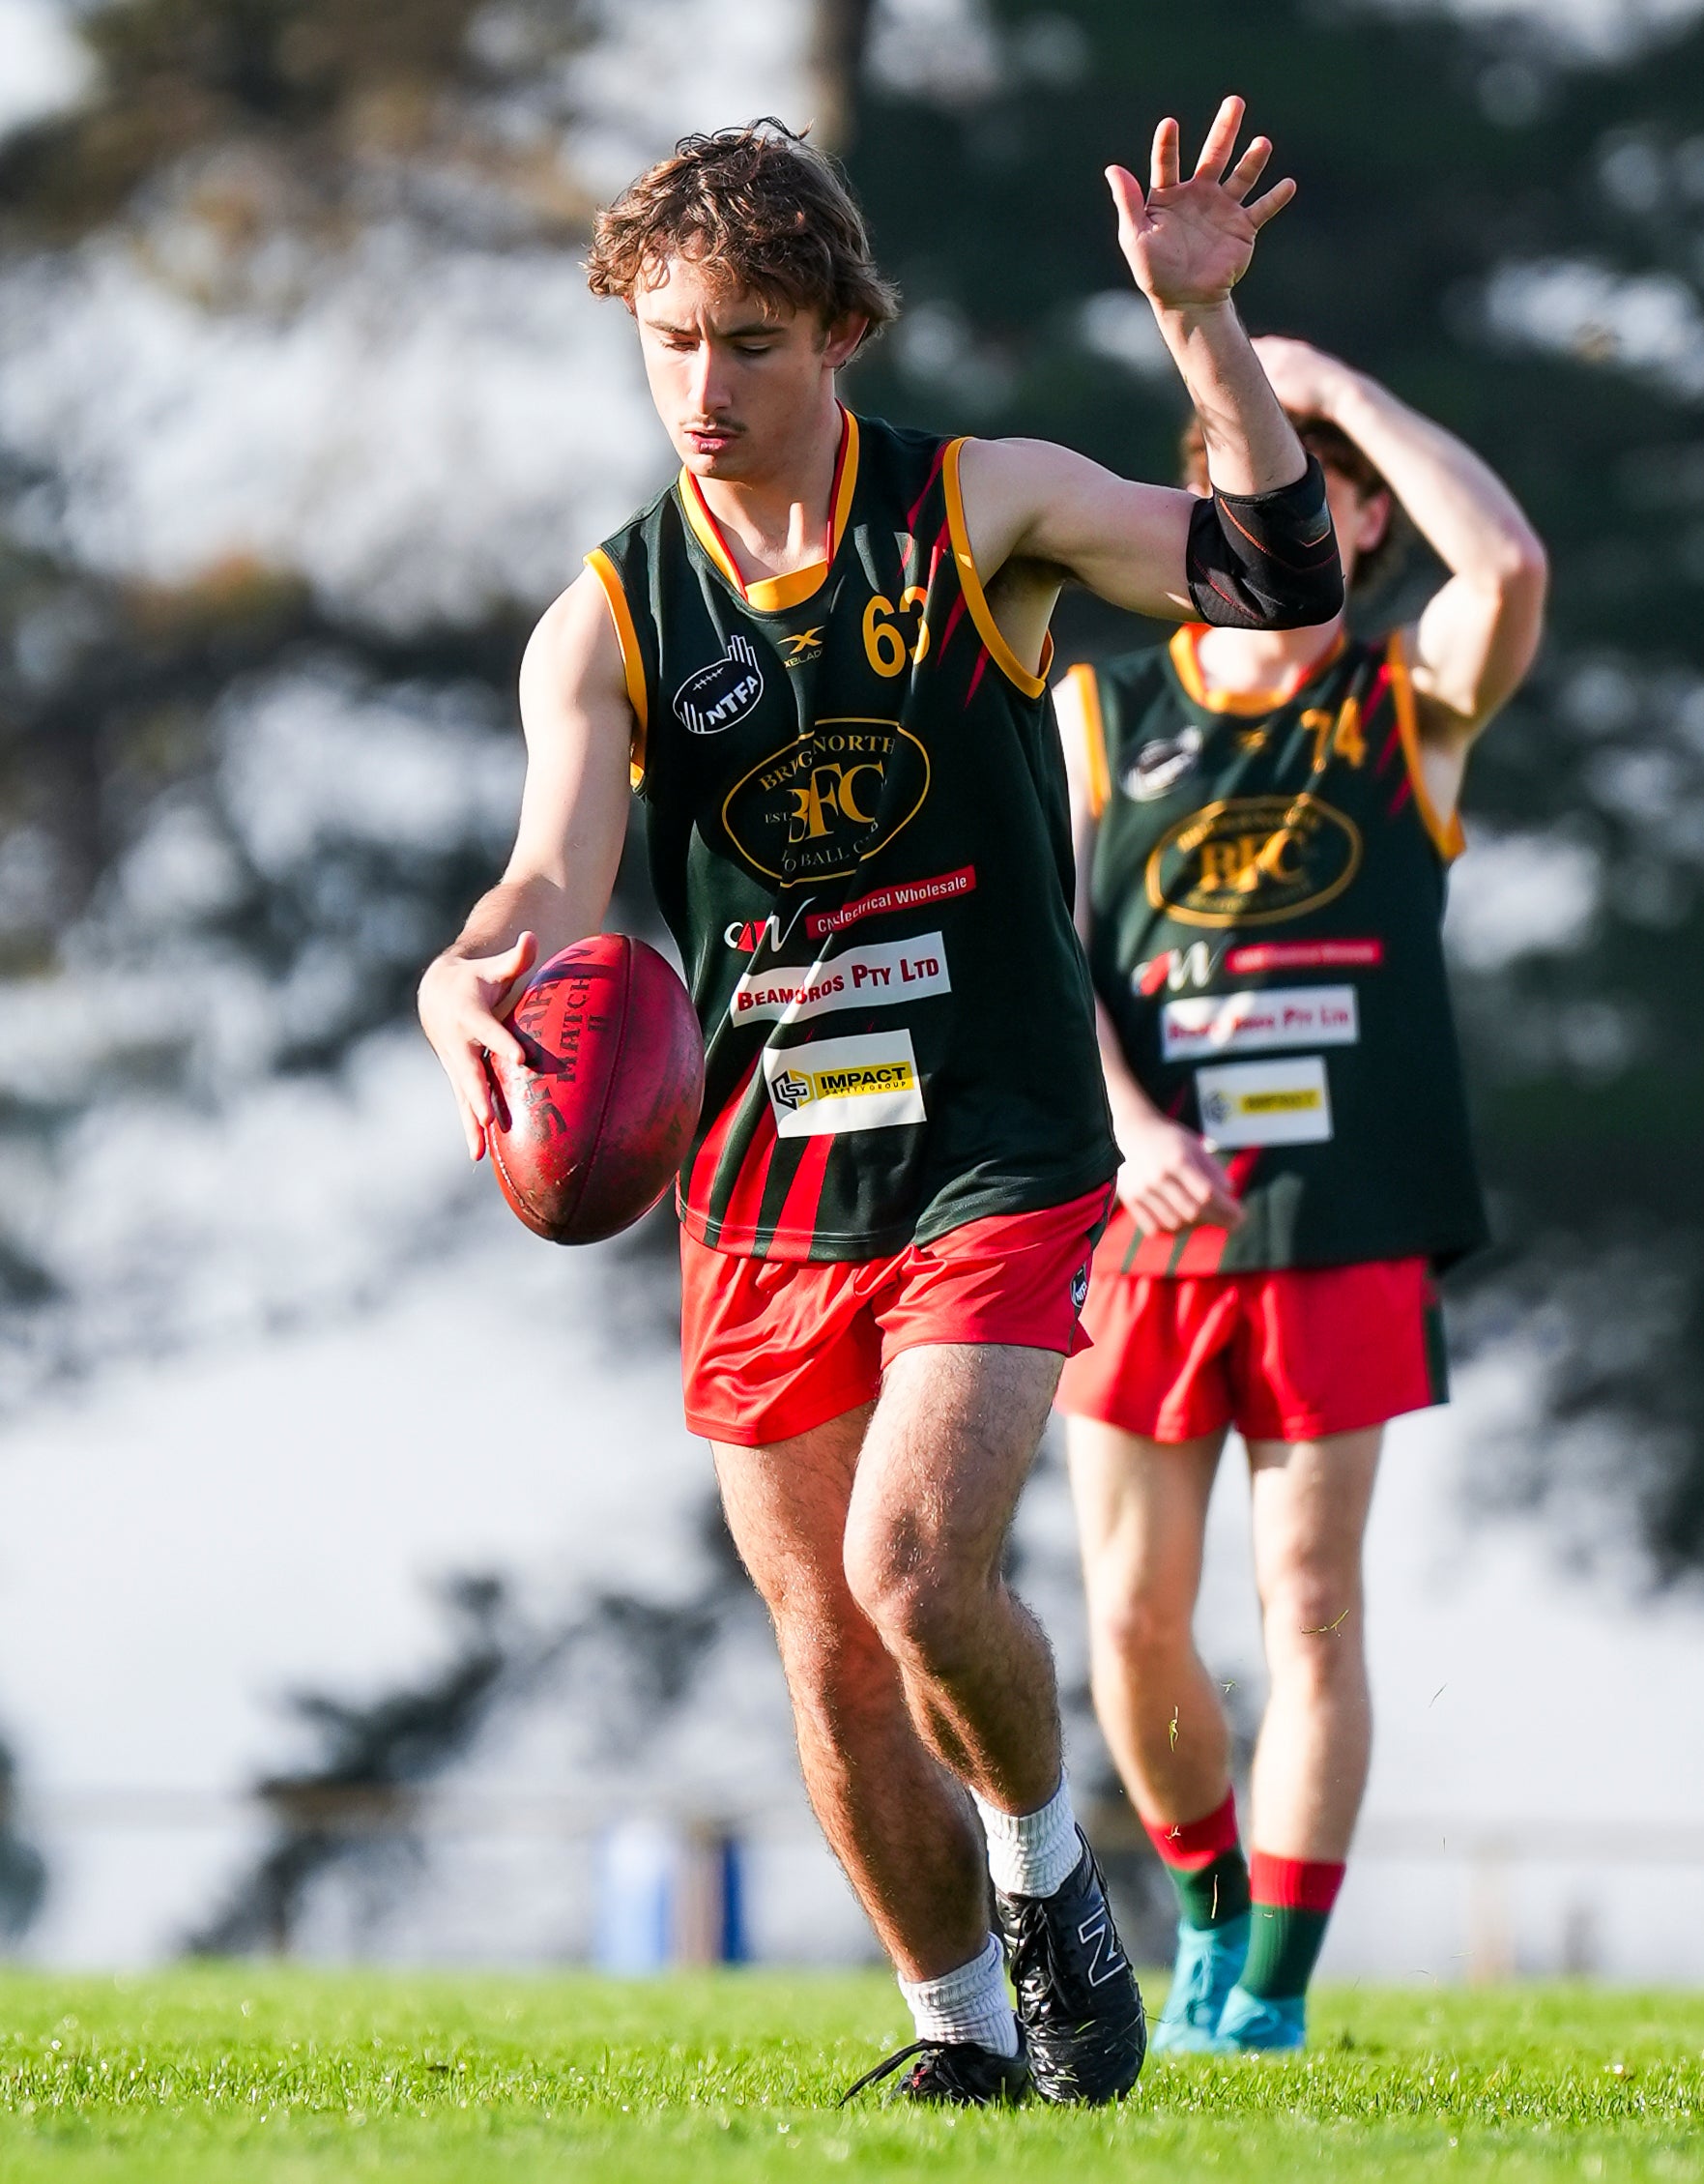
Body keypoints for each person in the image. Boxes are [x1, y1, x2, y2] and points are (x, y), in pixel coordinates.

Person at [419, 109, 1343, 2106]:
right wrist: (462, 967)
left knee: (916, 1569)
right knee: (832, 1655)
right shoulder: (609, 619)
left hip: (996, 1144)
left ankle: (1046, 1882)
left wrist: (1205, 337)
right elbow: (550, 883)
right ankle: (965, 2048)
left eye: (746, 338)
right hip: (763, 1189)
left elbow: (1271, 576)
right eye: (667, 339)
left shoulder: (977, 508)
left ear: (838, 332)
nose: (703, 385)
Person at [1053, 336, 1547, 2054]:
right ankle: (1202, 1911)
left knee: (1312, 1606)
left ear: (1360, 513)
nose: (1286, 499)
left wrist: (1343, 384)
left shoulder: (1405, 703)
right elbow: (1047, 958)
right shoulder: (1101, 713)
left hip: (1342, 1226)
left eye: (1316, 477)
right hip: (1143, 1232)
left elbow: (1515, 568)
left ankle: (1265, 1998)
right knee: (1127, 1608)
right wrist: (1125, 1126)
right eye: (1247, 473)